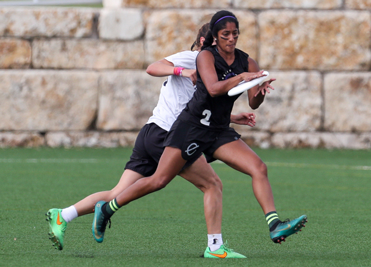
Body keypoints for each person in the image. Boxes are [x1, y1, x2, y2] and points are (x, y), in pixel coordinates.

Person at [93, 9, 307, 257]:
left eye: (235, 33)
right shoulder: (205, 56)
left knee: (258, 168)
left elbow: (252, 103)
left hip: (217, 130)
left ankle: (274, 225)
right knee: (159, 180)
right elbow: (214, 89)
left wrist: (259, 92)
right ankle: (107, 209)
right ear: (215, 36)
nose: (231, 38)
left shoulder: (247, 62)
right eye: (225, 34)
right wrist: (241, 78)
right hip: (191, 128)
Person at [46, 23, 254, 258]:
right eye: (221, 40)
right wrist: (182, 71)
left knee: (118, 191)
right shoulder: (193, 58)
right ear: (208, 42)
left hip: (152, 132)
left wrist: (233, 118)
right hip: (168, 135)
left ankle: (64, 215)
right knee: (212, 184)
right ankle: (215, 247)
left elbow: (198, 109)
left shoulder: (209, 68)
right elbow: (153, 67)